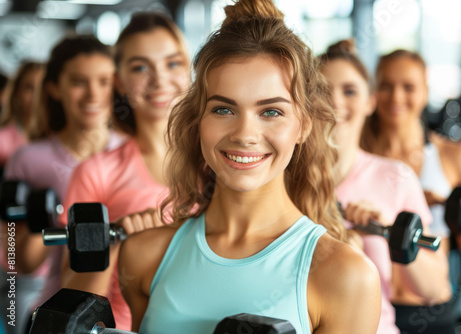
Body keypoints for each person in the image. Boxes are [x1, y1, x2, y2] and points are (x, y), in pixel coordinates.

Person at [119, 1, 382, 333]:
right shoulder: (144, 256)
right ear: (197, 121)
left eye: (271, 111)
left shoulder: (345, 276)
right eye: (223, 110)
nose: (244, 135)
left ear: (303, 126)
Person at [59, 12, 191, 331]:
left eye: (173, 63)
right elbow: (74, 298)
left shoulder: (223, 162)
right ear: (118, 80)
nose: (160, 80)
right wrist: (117, 241)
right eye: (141, 67)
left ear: (189, 70)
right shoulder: (95, 172)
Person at [319, 40, 451, 334]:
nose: (336, 102)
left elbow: (433, 288)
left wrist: (393, 232)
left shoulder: (396, 177)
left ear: (370, 102)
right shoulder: (283, 177)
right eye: (322, 90)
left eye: (349, 91)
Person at [361, 49, 461, 331]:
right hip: (368, 307)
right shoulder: (356, 155)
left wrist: (449, 205)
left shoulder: (455, 155)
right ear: (374, 91)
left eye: (408, 87)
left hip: (431, 306)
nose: (396, 97)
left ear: (425, 91)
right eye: (386, 86)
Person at [1, 34, 123, 334]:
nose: (93, 94)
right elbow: (19, 261)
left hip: (127, 313)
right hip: (57, 313)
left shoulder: (133, 154)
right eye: (79, 82)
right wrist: (52, 215)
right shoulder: (29, 159)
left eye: (104, 81)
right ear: (56, 87)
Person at [0, 62, 43, 166]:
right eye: (29, 88)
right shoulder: (2, 142)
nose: (36, 96)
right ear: (17, 92)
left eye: (42, 88)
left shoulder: (58, 138)